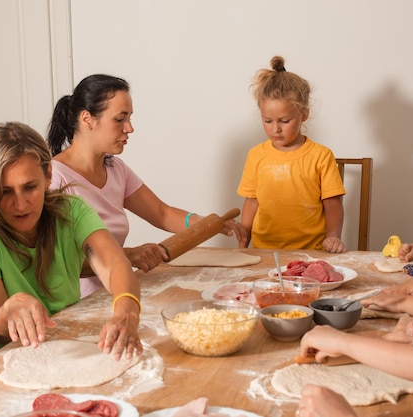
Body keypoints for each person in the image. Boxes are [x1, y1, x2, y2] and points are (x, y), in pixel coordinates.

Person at [0, 121, 143, 360]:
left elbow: (114, 264)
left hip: (70, 345)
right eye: (5, 191)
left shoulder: (71, 210)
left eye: (30, 187)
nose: (20, 205)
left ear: (48, 176)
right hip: (5, 360)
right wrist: (7, 312)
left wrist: (127, 314)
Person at [47, 74, 246, 296]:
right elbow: (58, 262)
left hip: (115, 294)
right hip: (76, 303)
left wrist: (209, 223)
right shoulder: (55, 179)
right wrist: (127, 255)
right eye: (120, 119)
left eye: (129, 118)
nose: (129, 128)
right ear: (87, 119)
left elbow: (162, 213)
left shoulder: (116, 169)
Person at [237, 56, 346, 253]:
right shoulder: (256, 155)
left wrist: (333, 236)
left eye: (284, 121)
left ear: (304, 115)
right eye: (268, 121)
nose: (275, 129)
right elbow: (251, 202)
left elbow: (332, 203)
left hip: (311, 252)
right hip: (265, 252)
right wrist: (243, 243)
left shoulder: (321, 155)